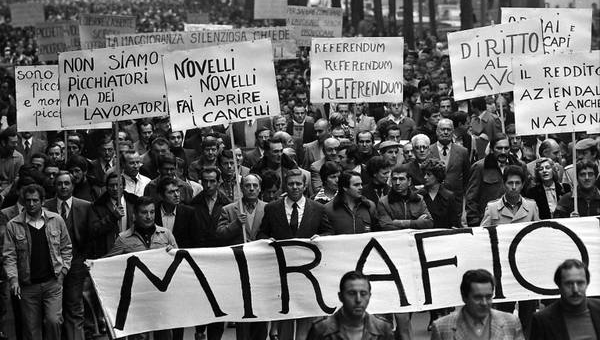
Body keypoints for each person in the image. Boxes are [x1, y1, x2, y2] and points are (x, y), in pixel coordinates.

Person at [3, 184, 72, 340]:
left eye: (35, 200)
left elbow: (66, 247)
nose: (31, 204)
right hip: (28, 286)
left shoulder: (56, 220)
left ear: (42, 201)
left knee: (53, 321)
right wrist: (13, 280)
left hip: (52, 283)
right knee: (31, 329)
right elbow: (9, 256)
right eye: (28, 200)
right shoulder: (13, 225)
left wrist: (63, 272)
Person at [106, 196, 176, 340]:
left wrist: (171, 253)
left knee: (164, 334)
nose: (149, 216)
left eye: (152, 212)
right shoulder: (123, 238)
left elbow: (178, 260)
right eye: (144, 213)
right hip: (136, 296)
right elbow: (109, 262)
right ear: (134, 215)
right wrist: (94, 266)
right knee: (138, 336)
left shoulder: (166, 234)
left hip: (160, 295)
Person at [43, 172, 91, 340]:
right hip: (51, 266)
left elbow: (90, 235)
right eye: (59, 184)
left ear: (73, 185)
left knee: (74, 307)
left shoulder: (85, 206)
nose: (63, 187)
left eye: (67, 183)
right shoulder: (45, 206)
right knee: (53, 311)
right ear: (54, 186)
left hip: (77, 264)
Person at [431, 269, 525, 340]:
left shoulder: (511, 323)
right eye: (477, 297)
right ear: (464, 297)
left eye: (488, 297)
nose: (484, 303)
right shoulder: (442, 328)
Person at [307, 271, 394, 340]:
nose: (358, 300)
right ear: (341, 296)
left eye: (363, 294)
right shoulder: (321, 329)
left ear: (369, 296)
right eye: (352, 293)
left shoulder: (383, 328)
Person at [465, 133, 527, 227]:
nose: (503, 152)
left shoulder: (520, 166)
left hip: (517, 220)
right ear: (492, 149)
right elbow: (471, 199)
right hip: (490, 222)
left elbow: (526, 192)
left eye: (506, 148)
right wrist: (474, 223)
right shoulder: (480, 167)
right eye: (499, 148)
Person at [529, 259, 600, 339]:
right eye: (568, 284)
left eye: (580, 283)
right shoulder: (542, 320)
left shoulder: (597, 309)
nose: (575, 290)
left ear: (587, 283)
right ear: (559, 285)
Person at [377, 165, 433, 230]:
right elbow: (386, 226)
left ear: (409, 181)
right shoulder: (384, 202)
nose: (397, 183)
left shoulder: (419, 199)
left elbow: (429, 223)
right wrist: (417, 223)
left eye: (401, 179)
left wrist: (401, 223)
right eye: (394, 179)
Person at [429, 118, 470, 204]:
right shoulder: (429, 151)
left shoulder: (463, 151)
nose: (446, 132)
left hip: (456, 199)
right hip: (434, 199)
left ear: (453, 132)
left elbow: (467, 177)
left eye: (449, 129)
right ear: (437, 131)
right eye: (443, 129)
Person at [324, 171, 378, 235]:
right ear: (345, 188)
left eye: (361, 184)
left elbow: (377, 232)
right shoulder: (329, 209)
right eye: (356, 185)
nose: (361, 187)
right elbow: (325, 234)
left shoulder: (369, 206)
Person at [418, 159, 461, 229]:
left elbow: (455, 223)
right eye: (424, 174)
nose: (425, 177)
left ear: (437, 176)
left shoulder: (449, 196)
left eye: (428, 174)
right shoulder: (419, 195)